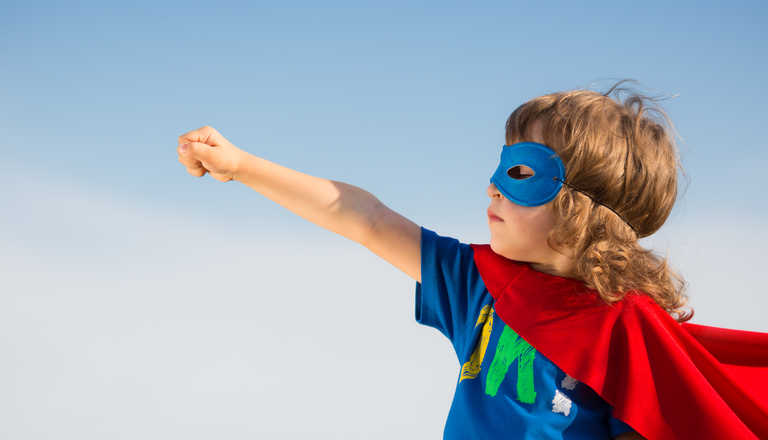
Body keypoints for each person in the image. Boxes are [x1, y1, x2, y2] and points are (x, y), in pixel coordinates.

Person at [175, 79, 768, 439]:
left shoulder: (625, 329)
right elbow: (363, 218)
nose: (492, 186)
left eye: (520, 173)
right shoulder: (479, 286)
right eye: (498, 164)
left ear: (585, 208)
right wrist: (243, 165)